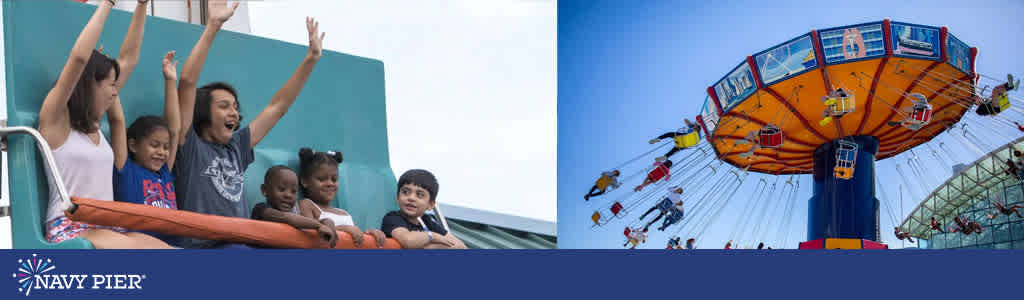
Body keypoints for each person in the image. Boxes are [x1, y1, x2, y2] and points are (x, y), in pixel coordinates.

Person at [172, 0, 325, 248]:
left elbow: (277, 108)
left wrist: (311, 59)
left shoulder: (236, 147)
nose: (233, 112)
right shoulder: (189, 146)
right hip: (201, 249)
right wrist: (213, 26)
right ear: (202, 113)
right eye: (223, 106)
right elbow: (187, 81)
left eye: (235, 107)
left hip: (240, 247)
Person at [38, 0, 172, 248]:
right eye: (111, 85)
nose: (115, 92)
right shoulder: (56, 120)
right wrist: (108, 3)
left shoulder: (95, 124)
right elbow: (79, 58)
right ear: (90, 83)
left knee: (175, 253)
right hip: (70, 226)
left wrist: (142, 5)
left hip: (107, 226)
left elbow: (128, 59)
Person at [110, 51, 183, 244]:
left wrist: (170, 81)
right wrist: (109, 80)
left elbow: (174, 130)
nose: (162, 152)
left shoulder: (164, 172)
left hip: (171, 246)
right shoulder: (125, 170)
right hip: (139, 246)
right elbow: (117, 121)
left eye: (165, 147)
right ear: (133, 145)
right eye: (154, 145)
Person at [297, 148, 386, 248]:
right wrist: (345, 229)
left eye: (334, 179)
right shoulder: (307, 204)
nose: (330, 183)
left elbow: (356, 237)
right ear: (304, 181)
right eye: (322, 179)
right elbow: (310, 232)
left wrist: (370, 234)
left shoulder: (344, 213)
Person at [251, 166, 337, 248]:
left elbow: (307, 221)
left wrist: (328, 222)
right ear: (265, 190)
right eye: (282, 189)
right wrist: (319, 226)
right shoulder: (261, 210)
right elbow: (287, 218)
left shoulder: (297, 214)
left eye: (293, 191)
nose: (288, 195)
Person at [381, 169, 467, 249]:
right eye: (405, 192)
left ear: (430, 205)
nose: (411, 198)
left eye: (420, 195)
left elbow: (461, 246)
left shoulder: (426, 221)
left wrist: (428, 246)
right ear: (397, 198)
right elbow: (408, 241)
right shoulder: (393, 218)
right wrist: (433, 236)